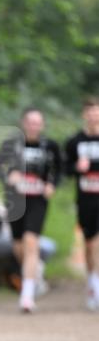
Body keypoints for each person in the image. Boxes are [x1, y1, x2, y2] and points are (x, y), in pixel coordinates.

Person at [0, 108, 62, 313]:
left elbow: (59, 170)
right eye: (30, 122)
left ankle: (27, 295)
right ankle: (35, 273)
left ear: (42, 125)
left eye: (37, 122)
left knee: (31, 241)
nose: (33, 126)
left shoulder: (50, 146)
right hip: (15, 200)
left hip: (37, 201)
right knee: (18, 245)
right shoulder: (11, 144)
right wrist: (8, 178)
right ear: (24, 123)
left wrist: (52, 185)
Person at [0, 166, 56, 289]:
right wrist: (3, 219)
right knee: (27, 246)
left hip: (6, 234)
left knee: (46, 246)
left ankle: (31, 276)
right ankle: (32, 277)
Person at [64, 97, 99, 310]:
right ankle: (91, 284)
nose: (94, 116)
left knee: (98, 244)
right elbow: (65, 170)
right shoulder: (74, 142)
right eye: (91, 112)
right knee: (88, 246)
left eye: (97, 112)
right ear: (84, 115)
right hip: (85, 200)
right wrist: (77, 167)